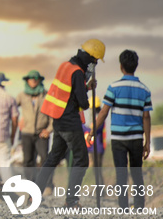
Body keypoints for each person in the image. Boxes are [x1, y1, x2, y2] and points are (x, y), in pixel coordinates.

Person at [35, 39, 103, 208]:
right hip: (70, 121)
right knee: (81, 160)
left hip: (58, 120)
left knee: (53, 158)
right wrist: (85, 90)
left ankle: (33, 196)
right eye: (95, 60)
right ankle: (71, 201)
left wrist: (85, 87)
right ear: (91, 57)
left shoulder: (66, 66)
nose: (94, 64)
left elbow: (68, 92)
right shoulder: (78, 72)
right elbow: (83, 102)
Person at [93, 49, 152, 209]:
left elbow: (104, 112)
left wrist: (92, 130)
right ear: (136, 66)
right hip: (136, 138)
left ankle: (123, 207)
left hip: (119, 139)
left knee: (121, 174)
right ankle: (139, 206)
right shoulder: (144, 90)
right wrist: (147, 142)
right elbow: (146, 117)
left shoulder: (114, 87)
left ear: (121, 66)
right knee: (136, 173)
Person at [15, 70, 52, 184]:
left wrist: (49, 129)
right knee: (28, 161)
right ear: (27, 80)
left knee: (45, 158)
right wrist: (18, 120)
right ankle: (30, 183)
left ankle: (46, 183)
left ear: (40, 80)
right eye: (31, 78)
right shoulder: (21, 95)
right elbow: (13, 109)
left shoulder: (46, 95)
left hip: (42, 133)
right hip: (27, 132)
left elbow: (53, 114)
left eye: (36, 78)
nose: (33, 81)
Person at [82, 96, 106, 186]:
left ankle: (100, 190)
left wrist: (82, 126)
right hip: (93, 148)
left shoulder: (99, 119)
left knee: (97, 170)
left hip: (98, 148)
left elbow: (94, 129)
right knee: (95, 170)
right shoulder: (94, 118)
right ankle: (98, 188)